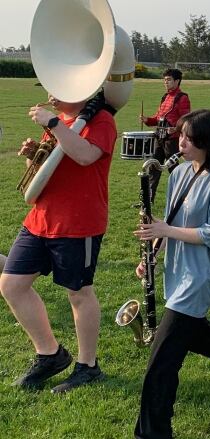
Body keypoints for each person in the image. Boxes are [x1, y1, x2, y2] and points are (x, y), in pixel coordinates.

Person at [133, 109, 210, 439]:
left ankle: (152, 433)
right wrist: (153, 252)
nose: (181, 141)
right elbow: (170, 220)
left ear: (206, 141)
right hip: (177, 271)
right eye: (181, 135)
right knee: (194, 334)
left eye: (188, 137)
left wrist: (166, 230)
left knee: (162, 362)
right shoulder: (179, 174)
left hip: (200, 276)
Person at [1, 93, 117, 393]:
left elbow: (84, 155)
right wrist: (32, 155)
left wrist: (53, 123)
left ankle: (88, 366)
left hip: (79, 223)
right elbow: (49, 169)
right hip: (40, 219)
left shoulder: (101, 120)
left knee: (79, 293)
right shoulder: (58, 122)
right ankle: (50, 355)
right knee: (11, 285)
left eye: (57, 88)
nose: (50, 95)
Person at [140, 68, 191, 204]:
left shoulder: (182, 98)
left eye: (169, 80)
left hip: (172, 141)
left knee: (174, 170)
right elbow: (158, 117)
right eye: (165, 80)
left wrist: (176, 129)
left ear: (177, 81)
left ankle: (184, 198)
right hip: (160, 138)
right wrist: (148, 120)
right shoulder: (165, 97)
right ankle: (147, 200)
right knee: (153, 168)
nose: (166, 82)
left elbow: (185, 119)